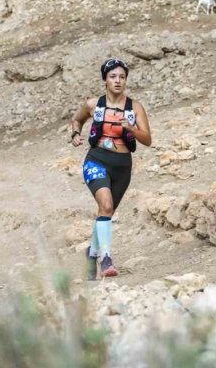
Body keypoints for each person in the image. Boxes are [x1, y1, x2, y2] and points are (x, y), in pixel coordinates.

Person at [70, 58, 152, 279]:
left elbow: (147, 140)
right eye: (113, 76)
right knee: (105, 205)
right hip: (96, 160)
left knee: (106, 213)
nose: (118, 81)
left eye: (122, 77)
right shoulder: (92, 104)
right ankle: (106, 259)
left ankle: (91, 252)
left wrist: (132, 128)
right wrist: (75, 135)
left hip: (122, 166)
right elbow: (76, 121)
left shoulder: (134, 108)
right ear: (105, 79)